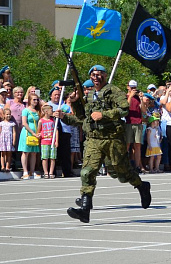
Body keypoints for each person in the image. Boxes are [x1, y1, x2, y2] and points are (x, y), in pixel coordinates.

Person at [63, 65, 151, 223]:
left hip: (112, 139)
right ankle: (85, 209)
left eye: (99, 74)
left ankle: (142, 186)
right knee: (87, 172)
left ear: (105, 75)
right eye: (93, 75)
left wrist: (104, 115)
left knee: (122, 173)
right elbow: (84, 116)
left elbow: (124, 109)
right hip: (94, 139)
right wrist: (75, 102)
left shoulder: (113, 91)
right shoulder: (89, 95)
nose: (96, 77)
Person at [18, 93, 40, 179]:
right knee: (25, 152)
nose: (36, 101)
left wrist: (38, 133)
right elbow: (24, 123)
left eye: (37, 99)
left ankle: (32, 171)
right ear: (30, 100)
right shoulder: (25, 110)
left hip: (35, 133)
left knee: (34, 153)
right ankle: (25, 171)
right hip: (27, 133)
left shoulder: (38, 111)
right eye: (34, 99)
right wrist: (33, 133)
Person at [125, 81, 144, 173]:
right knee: (127, 144)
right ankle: (124, 165)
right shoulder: (125, 96)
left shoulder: (138, 98)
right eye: (131, 87)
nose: (133, 89)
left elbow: (143, 110)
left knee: (137, 145)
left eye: (134, 87)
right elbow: (125, 107)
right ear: (128, 87)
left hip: (138, 122)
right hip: (129, 122)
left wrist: (142, 99)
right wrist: (130, 96)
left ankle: (137, 166)